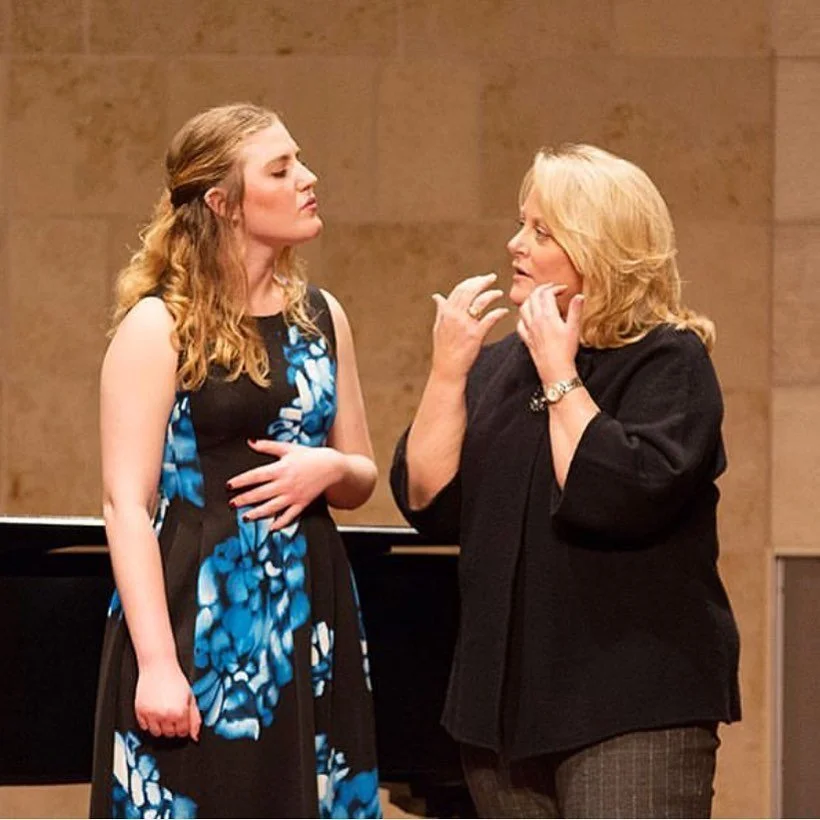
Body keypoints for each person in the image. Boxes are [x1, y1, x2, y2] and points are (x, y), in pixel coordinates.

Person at [390, 144, 740, 818]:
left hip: (630, 709)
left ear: (596, 251)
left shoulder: (669, 361)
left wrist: (560, 374)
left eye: (541, 231)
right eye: (522, 224)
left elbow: (616, 492)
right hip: (502, 721)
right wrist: (447, 370)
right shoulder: (501, 369)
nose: (515, 243)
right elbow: (427, 500)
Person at [90, 103, 382, 819]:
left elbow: (363, 472)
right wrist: (158, 664)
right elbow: (125, 504)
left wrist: (329, 470)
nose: (308, 179)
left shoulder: (322, 315)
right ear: (222, 203)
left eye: (300, 161)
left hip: (310, 609)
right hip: (199, 612)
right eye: (281, 170)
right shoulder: (160, 325)